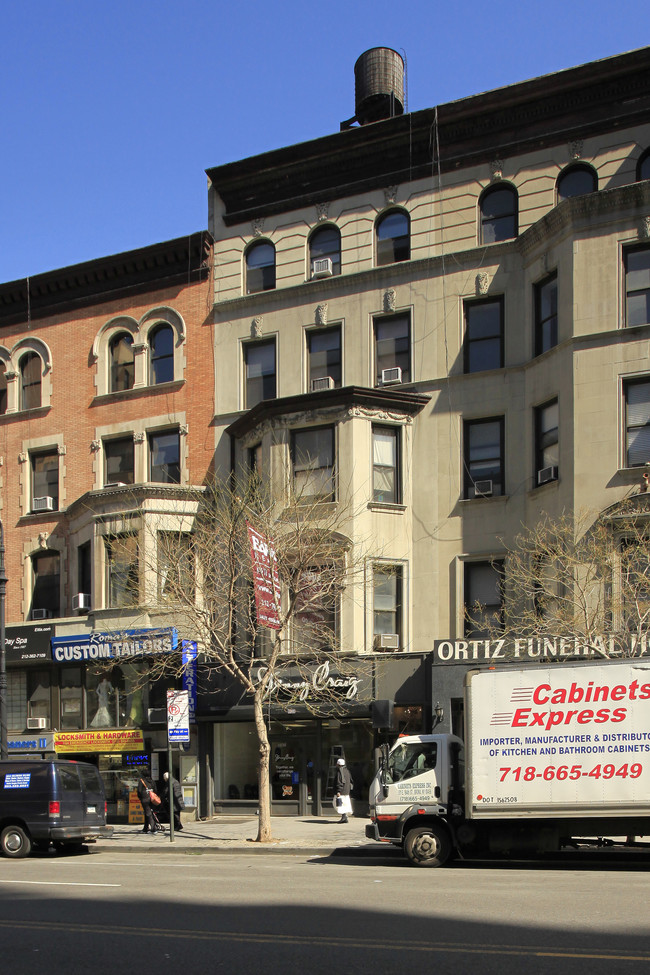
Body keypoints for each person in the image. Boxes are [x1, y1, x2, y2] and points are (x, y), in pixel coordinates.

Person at [334, 756, 353, 824]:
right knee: (345, 804)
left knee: (339, 804)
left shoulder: (340, 772)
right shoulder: (347, 771)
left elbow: (339, 782)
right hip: (346, 791)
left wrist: (338, 791)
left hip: (342, 791)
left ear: (338, 764)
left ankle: (343, 817)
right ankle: (344, 817)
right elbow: (350, 780)